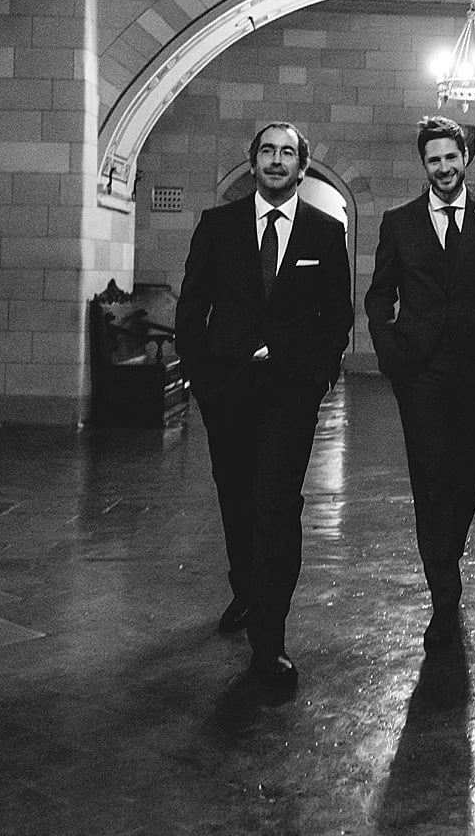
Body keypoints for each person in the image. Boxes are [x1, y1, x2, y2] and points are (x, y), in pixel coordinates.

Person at [176, 120, 354, 687]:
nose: (277, 160)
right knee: (236, 499)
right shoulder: (218, 225)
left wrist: (318, 375)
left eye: (288, 153)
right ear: (253, 162)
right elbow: (191, 307)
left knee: (277, 505)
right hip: (227, 389)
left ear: (302, 166)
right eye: (268, 151)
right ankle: (245, 590)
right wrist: (202, 379)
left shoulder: (325, 231)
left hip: (289, 391)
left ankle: (269, 640)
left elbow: (338, 314)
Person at [365, 117, 475, 651]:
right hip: (418, 369)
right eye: (433, 160)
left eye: (451, 157)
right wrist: (389, 350)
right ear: (424, 165)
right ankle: (444, 591)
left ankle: (448, 549)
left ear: (466, 158)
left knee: (468, 468)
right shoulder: (399, 221)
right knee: (431, 472)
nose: (443, 167)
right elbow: (379, 294)